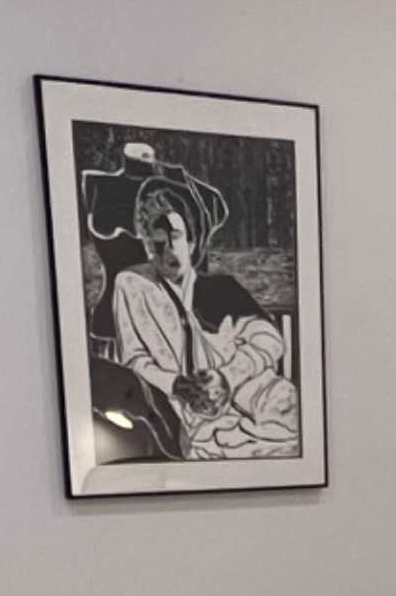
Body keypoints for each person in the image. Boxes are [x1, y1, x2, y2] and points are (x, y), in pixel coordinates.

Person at [88, 154, 297, 461]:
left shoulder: (220, 289)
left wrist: (226, 377)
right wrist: (177, 385)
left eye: (175, 237)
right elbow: (135, 358)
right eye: (155, 241)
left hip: (256, 394)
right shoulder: (133, 286)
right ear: (145, 243)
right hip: (189, 412)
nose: (167, 250)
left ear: (191, 239)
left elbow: (270, 340)